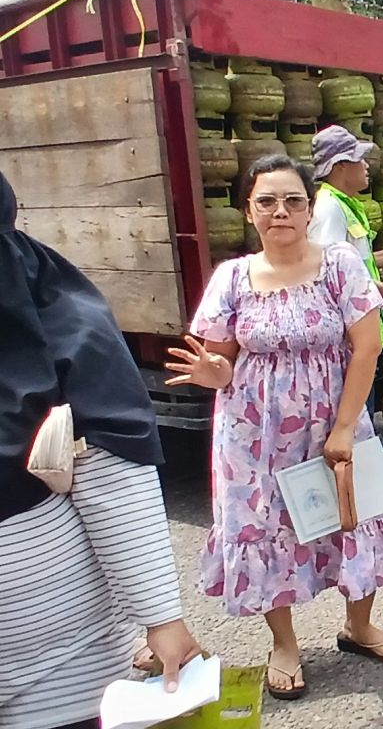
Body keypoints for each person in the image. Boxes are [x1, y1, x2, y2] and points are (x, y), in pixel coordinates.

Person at [170, 155, 383, 700]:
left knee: (353, 512)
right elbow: (222, 361)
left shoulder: (341, 265)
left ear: (309, 209)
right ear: (249, 211)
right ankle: (284, 642)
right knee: (262, 525)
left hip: (333, 415)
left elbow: (367, 346)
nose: (281, 211)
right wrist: (213, 372)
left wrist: (346, 426)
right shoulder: (231, 278)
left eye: (293, 201)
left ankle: (358, 624)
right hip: (253, 433)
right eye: (266, 201)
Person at [0, 172, 203, 729]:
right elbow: (113, 451)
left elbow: (105, 453)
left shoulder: (29, 288)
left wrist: (160, 617)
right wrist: (162, 618)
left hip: (50, 662)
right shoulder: (41, 291)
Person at [307, 125, 383, 337]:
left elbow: (353, 263)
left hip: (360, 322)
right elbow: (331, 272)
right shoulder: (328, 208)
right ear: (340, 165)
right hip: (345, 329)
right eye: (359, 158)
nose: (366, 165)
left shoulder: (346, 204)